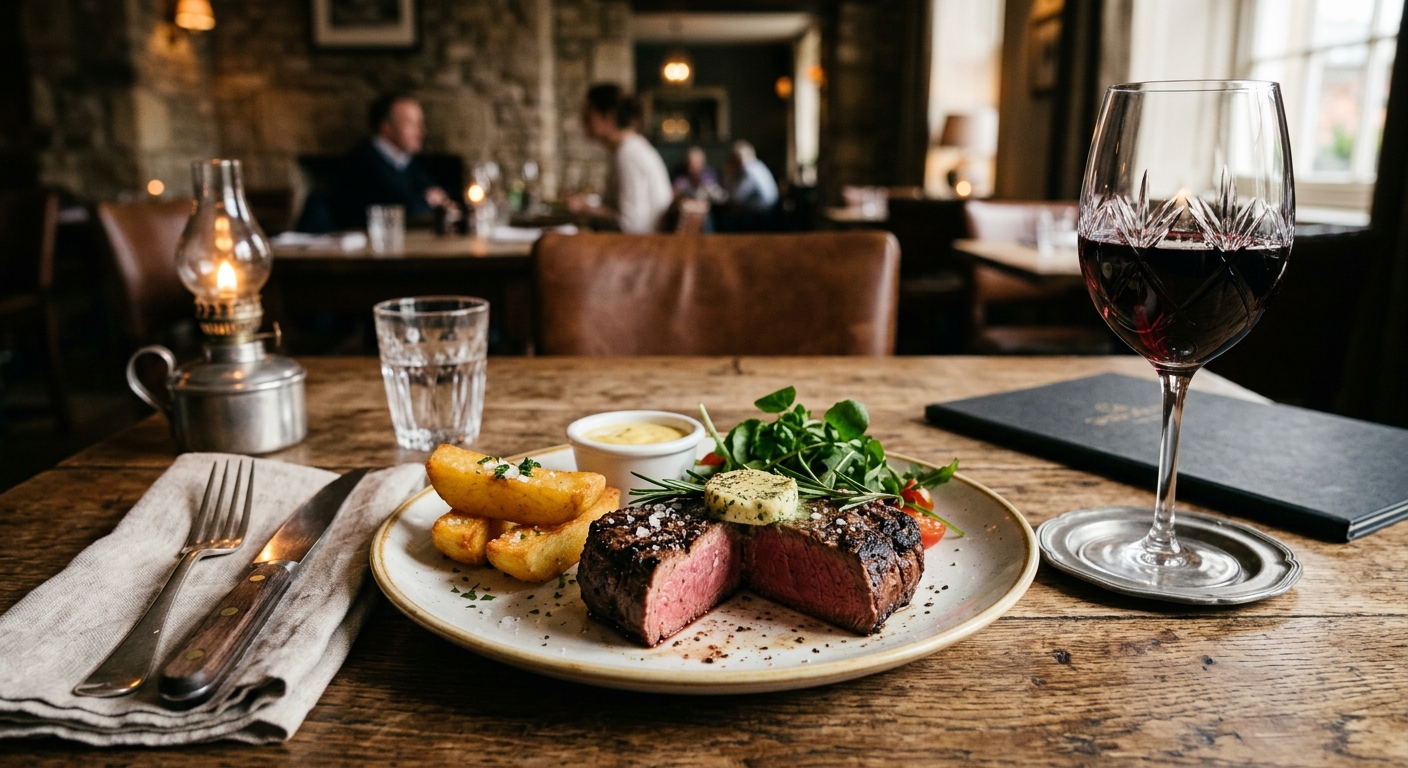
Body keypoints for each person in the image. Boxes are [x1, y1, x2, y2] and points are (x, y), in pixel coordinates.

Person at [308, 93, 451, 231]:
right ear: (385, 127)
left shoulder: (405, 161)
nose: (421, 131)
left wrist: (432, 200)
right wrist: (428, 200)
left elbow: (439, 196)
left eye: (420, 123)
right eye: (410, 123)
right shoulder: (364, 161)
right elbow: (406, 210)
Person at [568, 84, 673, 234]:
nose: (582, 122)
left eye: (588, 116)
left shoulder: (628, 154)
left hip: (639, 250)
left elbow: (631, 225)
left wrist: (584, 208)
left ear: (609, 118)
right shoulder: (630, 148)